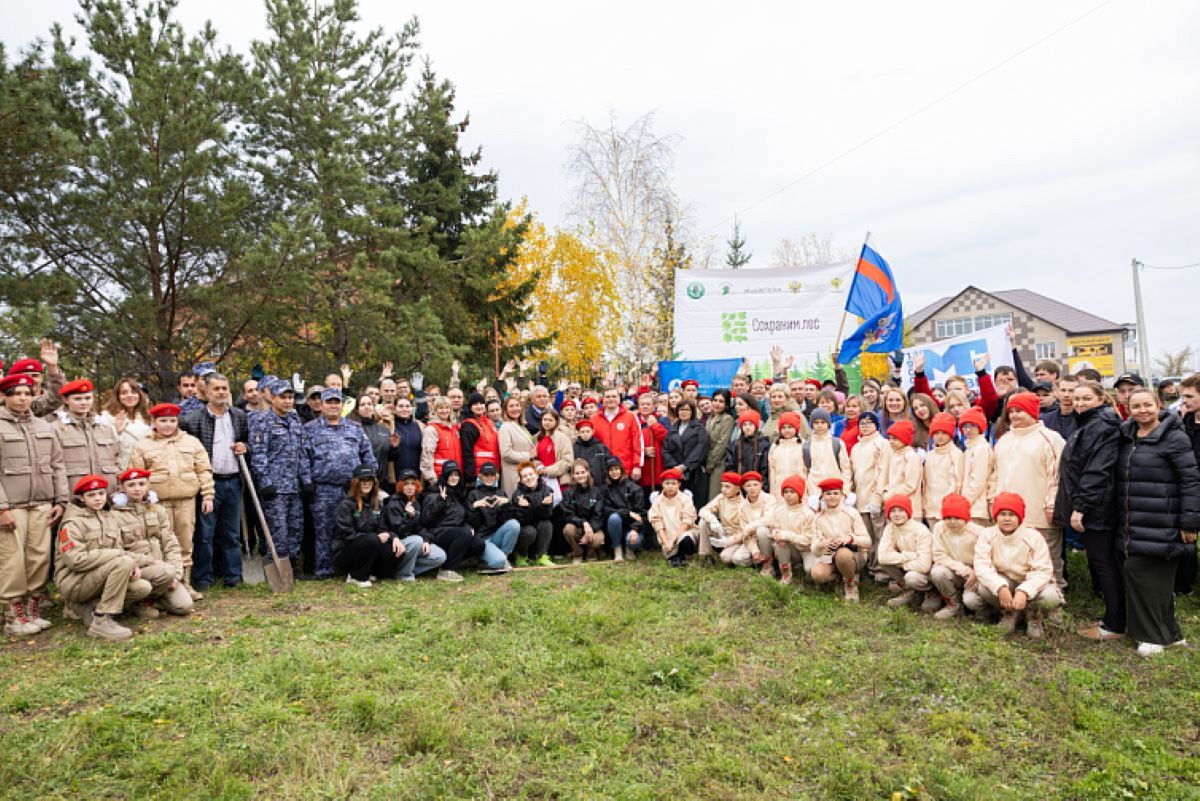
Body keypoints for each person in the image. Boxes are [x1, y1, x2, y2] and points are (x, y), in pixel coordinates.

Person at [1115, 388, 1200, 655]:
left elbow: (1190, 481)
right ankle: (1170, 634)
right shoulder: (1127, 437)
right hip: (1134, 522)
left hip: (1164, 521)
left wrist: (1189, 523)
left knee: (1145, 574)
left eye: (1147, 405)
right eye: (1136, 406)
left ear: (1159, 405)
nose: (1142, 410)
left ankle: (1151, 636)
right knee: (1145, 577)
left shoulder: (1174, 438)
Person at [0, 372, 68, 635]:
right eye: (16, 394)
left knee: (39, 557)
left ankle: (32, 610)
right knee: (12, 560)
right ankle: (13, 615)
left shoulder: (44, 427)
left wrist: (61, 500)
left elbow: (57, 465)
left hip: (41, 502)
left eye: (27, 393)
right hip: (12, 505)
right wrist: (2, 508)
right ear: (4, 397)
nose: (22, 398)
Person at [1057, 380, 1124, 640]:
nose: (1080, 403)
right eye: (1076, 399)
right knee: (1104, 562)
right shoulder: (1090, 424)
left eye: (1086, 398)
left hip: (1097, 507)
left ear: (1100, 399)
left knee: (1104, 563)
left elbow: (1097, 470)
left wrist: (1080, 507)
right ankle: (1115, 618)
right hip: (1094, 504)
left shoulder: (1102, 426)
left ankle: (1114, 624)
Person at [54, 475, 155, 641]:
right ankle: (102, 621)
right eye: (91, 495)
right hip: (74, 582)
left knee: (142, 588)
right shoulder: (72, 523)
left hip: (98, 578)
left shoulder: (108, 518)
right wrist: (120, 558)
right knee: (123, 562)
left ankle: (88, 607)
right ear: (82, 498)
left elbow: (120, 550)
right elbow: (76, 561)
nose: (97, 498)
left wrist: (140, 562)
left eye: (101, 494)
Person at [129, 403, 212, 601]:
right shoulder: (143, 445)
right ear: (154, 422)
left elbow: (204, 470)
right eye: (163, 421)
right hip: (157, 504)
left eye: (172, 421)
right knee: (160, 544)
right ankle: (162, 586)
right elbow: (137, 475)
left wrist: (208, 495)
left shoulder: (191, 442)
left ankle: (185, 583)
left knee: (185, 543)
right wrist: (142, 500)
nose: (167, 425)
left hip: (186, 501)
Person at [180, 372, 249, 591]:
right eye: (216, 389)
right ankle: (203, 578)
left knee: (231, 533)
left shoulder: (239, 416)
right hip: (209, 484)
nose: (221, 392)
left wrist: (246, 448)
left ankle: (233, 575)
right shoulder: (193, 420)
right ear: (207, 392)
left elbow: (248, 443)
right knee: (205, 534)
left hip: (234, 481)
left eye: (224, 388)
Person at [992, 391, 1066, 589]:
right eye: (1012, 411)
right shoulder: (1004, 439)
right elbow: (995, 472)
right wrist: (993, 498)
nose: (1014, 415)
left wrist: (1051, 504)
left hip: (1038, 510)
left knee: (1047, 556)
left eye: (1020, 411)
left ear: (1033, 412)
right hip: (1009, 512)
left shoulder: (1050, 439)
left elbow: (1056, 475)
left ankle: (1053, 595)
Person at [304, 387, 377, 579]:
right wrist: (307, 482)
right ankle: (325, 569)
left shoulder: (355, 428)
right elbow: (303, 458)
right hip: (323, 488)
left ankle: (351, 567)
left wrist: (371, 477)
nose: (333, 406)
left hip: (352, 488)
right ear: (322, 405)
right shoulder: (310, 429)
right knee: (324, 529)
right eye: (329, 402)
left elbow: (367, 455)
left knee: (355, 527)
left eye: (337, 402)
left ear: (342, 405)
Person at [973, 493, 1063, 638]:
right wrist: (1000, 587)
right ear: (996, 516)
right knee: (983, 587)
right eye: (1002, 514)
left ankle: (1033, 614)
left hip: (1030, 582)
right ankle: (1010, 613)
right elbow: (981, 566)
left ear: (1020, 517)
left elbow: (1043, 570)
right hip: (1006, 581)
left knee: (1050, 596)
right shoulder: (987, 535)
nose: (1007, 519)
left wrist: (1024, 591)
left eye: (1012, 514)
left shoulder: (1033, 537)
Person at [110, 468, 193, 617]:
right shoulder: (114, 515)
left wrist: (176, 574)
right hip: (137, 572)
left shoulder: (158, 510)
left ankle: (156, 596)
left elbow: (171, 544)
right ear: (122, 488)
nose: (137, 489)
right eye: (131, 485)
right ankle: (141, 602)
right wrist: (147, 562)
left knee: (184, 606)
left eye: (141, 484)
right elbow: (117, 550)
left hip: (163, 571)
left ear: (148, 485)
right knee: (165, 573)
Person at [248, 377, 310, 569]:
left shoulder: (294, 420)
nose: (287, 401)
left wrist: (306, 480)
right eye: (283, 397)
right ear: (273, 398)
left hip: (294, 486)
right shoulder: (262, 421)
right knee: (278, 530)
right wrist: (264, 481)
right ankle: (277, 565)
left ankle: (291, 564)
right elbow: (258, 454)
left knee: (296, 527)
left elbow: (302, 451)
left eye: (291, 397)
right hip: (274, 487)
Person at [332, 466, 404, 587]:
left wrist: (394, 538)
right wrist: (375, 537)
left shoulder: (377, 504)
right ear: (356, 483)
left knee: (395, 550)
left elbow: (383, 528)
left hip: (370, 545)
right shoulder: (346, 505)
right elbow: (348, 535)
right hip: (345, 552)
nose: (366, 484)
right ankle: (356, 576)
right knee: (372, 540)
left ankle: (372, 572)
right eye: (363, 481)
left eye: (369, 480)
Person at [52, 379, 120, 496]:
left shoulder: (105, 427)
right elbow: (54, 466)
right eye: (77, 399)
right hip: (75, 493)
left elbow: (117, 459)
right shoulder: (55, 428)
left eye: (88, 398)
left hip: (107, 493)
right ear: (65, 400)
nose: (83, 403)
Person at [809, 478, 870, 601]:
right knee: (817, 574)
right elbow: (814, 550)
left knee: (842, 554)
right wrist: (821, 544)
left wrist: (850, 539)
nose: (832, 497)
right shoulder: (818, 518)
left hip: (854, 556)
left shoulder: (851, 513)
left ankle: (850, 585)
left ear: (842, 495)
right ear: (823, 496)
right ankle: (842, 577)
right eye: (828, 494)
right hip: (830, 558)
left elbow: (867, 541)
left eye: (836, 493)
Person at [381, 470, 448, 580]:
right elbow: (398, 532)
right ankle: (404, 575)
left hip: (412, 544)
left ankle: (401, 570)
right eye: (406, 484)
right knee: (416, 540)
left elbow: (419, 527)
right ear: (400, 486)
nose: (410, 487)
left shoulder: (415, 502)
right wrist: (409, 516)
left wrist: (426, 540)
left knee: (440, 556)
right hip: (395, 544)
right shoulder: (392, 503)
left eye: (413, 483)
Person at [419, 461, 480, 581]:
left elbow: (461, 517)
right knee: (463, 533)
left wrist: (468, 524)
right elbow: (426, 520)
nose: (454, 478)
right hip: (437, 533)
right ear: (445, 476)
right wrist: (440, 502)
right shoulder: (433, 494)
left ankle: (449, 560)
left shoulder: (458, 494)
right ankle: (448, 570)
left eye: (456, 474)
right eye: (450, 475)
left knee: (479, 544)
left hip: (456, 532)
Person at [929, 494, 985, 620]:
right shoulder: (939, 527)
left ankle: (984, 610)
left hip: (975, 574)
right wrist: (963, 569)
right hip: (954, 569)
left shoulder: (979, 532)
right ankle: (954, 604)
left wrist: (975, 571)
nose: (952, 522)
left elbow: (986, 557)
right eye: (948, 517)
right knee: (937, 572)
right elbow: (939, 554)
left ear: (966, 517)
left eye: (957, 517)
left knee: (971, 601)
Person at [876, 494, 936, 610]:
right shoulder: (890, 528)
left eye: (901, 510)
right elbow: (882, 557)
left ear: (908, 512)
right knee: (886, 563)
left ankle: (932, 592)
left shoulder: (920, 530)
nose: (897, 514)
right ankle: (910, 591)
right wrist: (909, 556)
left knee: (911, 577)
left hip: (926, 572)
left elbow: (924, 566)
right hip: (911, 562)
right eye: (893, 511)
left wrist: (901, 563)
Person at [849, 410, 889, 578]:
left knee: (880, 535)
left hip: (875, 499)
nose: (865, 426)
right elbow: (852, 472)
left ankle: (882, 570)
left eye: (869, 422)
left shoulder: (881, 443)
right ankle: (870, 568)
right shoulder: (856, 447)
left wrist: (878, 497)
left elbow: (883, 472)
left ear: (876, 425)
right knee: (866, 537)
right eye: (862, 423)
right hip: (860, 498)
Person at [464, 462, 518, 574]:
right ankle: (489, 562)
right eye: (485, 475)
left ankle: (505, 557)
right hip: (483, 539)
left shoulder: (500, 492)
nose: (489, 478)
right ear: (480, 476)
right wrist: (475, 506)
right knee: (498, 561)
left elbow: (506, 520)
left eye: (492, 475)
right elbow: (468, 521)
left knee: (514, 524)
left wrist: (506, 503)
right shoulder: (473, 494)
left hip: (496, 535)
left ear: (496, 476)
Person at [761, 475, 816, 584]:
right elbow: (773, 526)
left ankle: (799, 565)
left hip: (804, 549)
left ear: (799, 493)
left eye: (792, 492)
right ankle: (786, 573)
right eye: (786, 492)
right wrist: (776, 532)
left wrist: (786, 535)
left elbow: (807, 540)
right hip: (785, 548)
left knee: (810, 571)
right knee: (780, 541)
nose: (788, 495)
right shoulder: (779, 510)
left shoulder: (808, 514)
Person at [799, 409, 851, 509]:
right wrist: (808, 495)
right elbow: (804, 472)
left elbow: (846, 470)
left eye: (823, 422)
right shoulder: (806, 445)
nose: (819, 425)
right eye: (816, 422)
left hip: (836, 492)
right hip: (815, 493)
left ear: (828, 424)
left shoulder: (837, 443)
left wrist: (845, 491)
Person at [648, 466, 698, 567]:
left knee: (686, 540)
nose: (670, 486)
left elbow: (687, 522)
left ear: (679, 484)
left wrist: (673, 539)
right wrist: (666, 542)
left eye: (673, 483)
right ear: (662, 485)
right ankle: (676, 556)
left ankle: (685, 554)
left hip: (683, 533)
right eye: (667, 483)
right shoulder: (657, 501)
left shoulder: (686, 499)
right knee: (671, 554)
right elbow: (657, 523)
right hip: (667, 536)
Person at [99, 377, 153, 470]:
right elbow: (103, 450)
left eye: (134, 392)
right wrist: (117, 432)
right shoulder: (107, 418)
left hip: (146, 469)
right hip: (121, 471)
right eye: (124, 392)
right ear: (117, 396)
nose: (130, 395)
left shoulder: (148, 417)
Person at [662, 398, 709, 503]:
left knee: (695, 502)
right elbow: (665, 450)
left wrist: (684, 467)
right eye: (681, 410)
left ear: (692, 412)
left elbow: (700, 449)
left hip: (694, 471)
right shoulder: (672, 429)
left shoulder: (699, 428)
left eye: (687, 410)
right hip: (676, 473)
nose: (683, 412)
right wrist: (675, 468)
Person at [600, 457, 645, 562]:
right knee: (614, 517)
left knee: (634, 541)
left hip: (633, 527)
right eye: (610, 470)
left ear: (621, 469)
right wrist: (628, 512)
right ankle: (617, 549)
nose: (614, 472)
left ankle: (630, 549)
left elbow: (641, 514)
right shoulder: (604, 490)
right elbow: (605, 510)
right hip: (615, 528)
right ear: (607, 472)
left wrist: (635, 529)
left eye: (616, 469)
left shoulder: (635, 488)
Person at [561, 460, 606, 564]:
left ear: (588, 473)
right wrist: (583, 523)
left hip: (594, 528)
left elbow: (598, 515)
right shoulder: (568, 492)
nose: (580, 475)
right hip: (577, 527)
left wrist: (589, 530)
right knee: (568, 529)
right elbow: (568, 514)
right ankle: (577, 553)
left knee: (598, 539)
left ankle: (591, 552)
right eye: (577, 473)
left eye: (583, 472)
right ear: (572, 475)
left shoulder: (597, 492)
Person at [591, 388, 643, 480]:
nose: (611, 399)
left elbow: (637, 442)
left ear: (619, 398)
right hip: (603, 470)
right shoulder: (594, 419)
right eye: (608, 397)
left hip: (625, 468)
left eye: (614, 396)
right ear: (603, 399)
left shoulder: (630, 416)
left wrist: (637, 465)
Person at [922, 412, 963, 527]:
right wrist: (925, 504)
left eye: (944, 433)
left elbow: (956, 483)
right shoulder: (929, 455)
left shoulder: (956, 454)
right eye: (936, 433)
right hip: (930, 510)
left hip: (947, 510)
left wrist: (946, 504)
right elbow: (926, 483)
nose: (940, 436)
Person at [957, 408, 995, 525]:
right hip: (971, 506)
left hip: (977, 508)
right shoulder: (970, 448)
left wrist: (964, 502)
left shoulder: (981, 448)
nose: (968, 430)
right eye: (965, 426)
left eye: (972, 426)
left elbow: (978, 480)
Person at [698, 472, 746, 560]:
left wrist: (729, 541)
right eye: (722, 486)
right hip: (722, 531)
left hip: (735, 538)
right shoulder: (721, 498)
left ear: (737, 489)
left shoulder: (744, 504)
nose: (723, 489)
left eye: (727, 487)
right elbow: (703, 510)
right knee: (703, 522)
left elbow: (744, 531)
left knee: (726, 558)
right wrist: (713, 520)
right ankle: (706, 556)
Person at [881, 420, 924, 521]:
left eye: (895, 438)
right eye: (890, 438)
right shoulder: (895, 455)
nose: (891, 441)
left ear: (904, 439)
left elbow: (910, 485)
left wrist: (889, 495)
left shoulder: (911, 456)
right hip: (895, 506)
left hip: (910, 509)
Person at [737, 471, 777, 571]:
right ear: (743, 488)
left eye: (755, 484)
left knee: (761, 530)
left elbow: (768, 520)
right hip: (752, 540)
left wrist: (750, 527)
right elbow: (745, 533)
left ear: (761, 485)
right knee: (737, 559)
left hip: (769, 538)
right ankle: (758, 558)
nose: (752, 488)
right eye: (748, 485)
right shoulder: (742, 505)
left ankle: (769, 564)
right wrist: (754, 550)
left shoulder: (770, 499)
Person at [459, 392, 500, 485]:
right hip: (479, 474)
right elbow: (467, 452)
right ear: (470, 407)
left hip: (492, 471)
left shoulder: (488, 422)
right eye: (475, 404)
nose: (479, 406)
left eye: (481, 403)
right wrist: (470, 476)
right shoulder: (468, 426)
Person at [535, 407, 574, 502]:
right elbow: (533, 457)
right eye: (545, 420)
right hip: (541, 480)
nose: (547, 422)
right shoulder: (537, 437)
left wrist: (548, 470)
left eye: (550, 420)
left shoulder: (562, 437)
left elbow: (568, 460)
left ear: (556, 422)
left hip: (559, 480)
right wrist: (538, 466)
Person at [498, 396, 535, 496]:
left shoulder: (522, 426)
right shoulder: (506, 427)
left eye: (517, 405)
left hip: (525, 474)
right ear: (505, 410)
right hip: (514, 474)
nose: (515, 408)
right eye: (511, 406)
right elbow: (506, 453)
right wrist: (528, 455)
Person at [420, 396, 462, 484]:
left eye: (447, 407)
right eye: (441, 408)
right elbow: (427, 456)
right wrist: (432, 479)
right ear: (435, 410)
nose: (444, 410)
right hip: (439, 477)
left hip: (455, 477)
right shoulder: (431, 429)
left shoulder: (455, 428)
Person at [766, 412, 805, 505]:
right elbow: (772, 473)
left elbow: (806, 471)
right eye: (783, 427)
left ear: (796, 428)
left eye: (790, 427)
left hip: (799, 490)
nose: (786, 430)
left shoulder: (803, 445)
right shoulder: (775, 447)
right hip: (780, 491)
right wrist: (773, 494)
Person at [704, 390, 736, 503]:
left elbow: (722, 443)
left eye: (721, 401)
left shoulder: (727, 419)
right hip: (707, 461)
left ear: (727, 405)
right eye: (715, 400)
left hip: (718, 462)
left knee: (715, 495)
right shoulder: (710, 418)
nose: (717, 404)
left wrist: (711, 463)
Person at [634, 392, 668, 494]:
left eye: (648, 404)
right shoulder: (634, 421)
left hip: (658, 466)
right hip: (642, 468)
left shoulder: (662, 420)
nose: (645, 407)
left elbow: (668, 440)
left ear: (654, 406)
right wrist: (643, 451)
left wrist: (655, 425)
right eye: (642, 404)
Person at [726, 410, 770, 487]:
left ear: (756, 426)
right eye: (745, 424)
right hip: (739, 485)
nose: (747, 427)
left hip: (758, 486)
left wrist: (763, 486)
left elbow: (765, 469)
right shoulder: (735, 445)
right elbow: (730, 466)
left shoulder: (763, 444)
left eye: (750, 424)